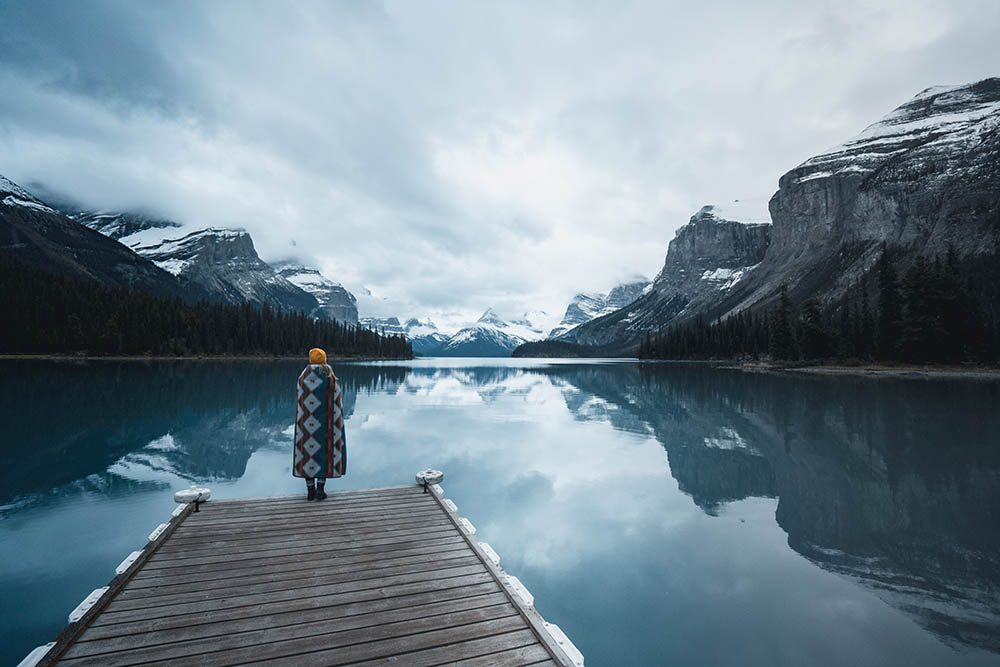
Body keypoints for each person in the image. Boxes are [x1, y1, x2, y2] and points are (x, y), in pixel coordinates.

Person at [292, 348, 347, 500]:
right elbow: (337, 402)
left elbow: (300, 400)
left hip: (306, 425)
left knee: (306, 454)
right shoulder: (329, 377)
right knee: (325, 454)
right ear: (324, 359)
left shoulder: (302, 376)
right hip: (327, 425)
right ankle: (320, 491)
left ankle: (310, 492)